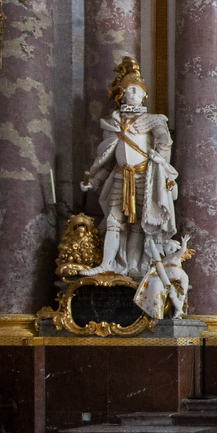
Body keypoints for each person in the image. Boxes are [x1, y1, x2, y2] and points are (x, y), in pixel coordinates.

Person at [80, 57, 179, 279]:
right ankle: (107, 264)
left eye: (137, 90)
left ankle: (134, 266)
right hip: (119, 178)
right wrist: (94, 181)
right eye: (128, 89)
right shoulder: (113, 123)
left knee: (138, 225)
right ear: (121, 94)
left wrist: (161, 153)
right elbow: (107, 161)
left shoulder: (153, 120)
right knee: (114, 221)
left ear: (144, 95)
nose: (133, 93)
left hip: (144, 177)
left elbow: (165, 142)